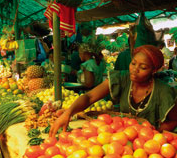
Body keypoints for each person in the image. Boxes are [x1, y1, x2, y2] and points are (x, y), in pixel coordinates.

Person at [49, 44, 177, 137]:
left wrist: (154, 133)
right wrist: (68, 113)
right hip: (120, 140)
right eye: (133, 63)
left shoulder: (163, 91)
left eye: (143, 67)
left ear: (154, 70)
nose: (134, 69)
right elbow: (89, 97)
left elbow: (173, 120)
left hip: (146, 145)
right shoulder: (122, 78)